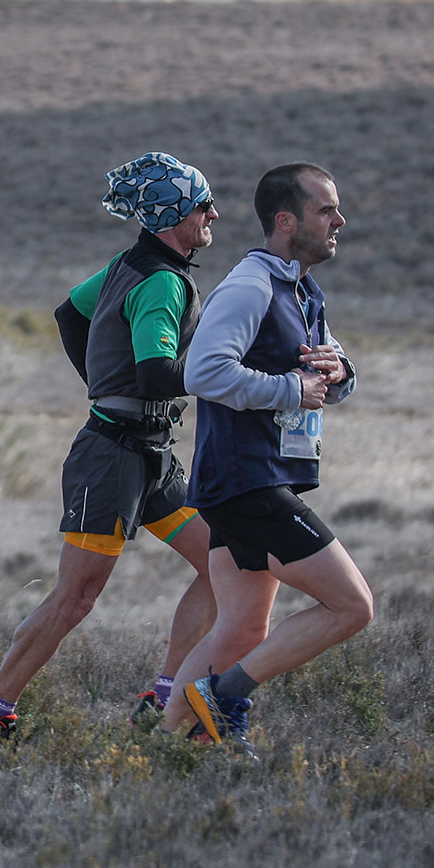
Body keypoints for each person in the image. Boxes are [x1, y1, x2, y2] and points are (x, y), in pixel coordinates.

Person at [0, 153, 221, 748]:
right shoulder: (161, 281)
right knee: (76, 598)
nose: (213, 215)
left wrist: (102, 384)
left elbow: (68, 314)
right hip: (113, 457)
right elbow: (154, 375)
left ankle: (165, 696)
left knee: (224, 563)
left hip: (151, 457)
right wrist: (219, 373)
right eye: (203, 205)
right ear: (173, 214)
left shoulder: (130, 265)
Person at [162, 164, 370, 753]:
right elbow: (204, 371)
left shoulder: (302, 289)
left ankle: (162, 744)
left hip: (254, 480)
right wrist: (289, 389)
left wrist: (340, 372)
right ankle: (225, 696)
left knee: (242, 627)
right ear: (286, 221)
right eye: (326, 210)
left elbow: (315, 377)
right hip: (247, 482)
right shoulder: (251, 285)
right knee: (352, 606)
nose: (339, 220)